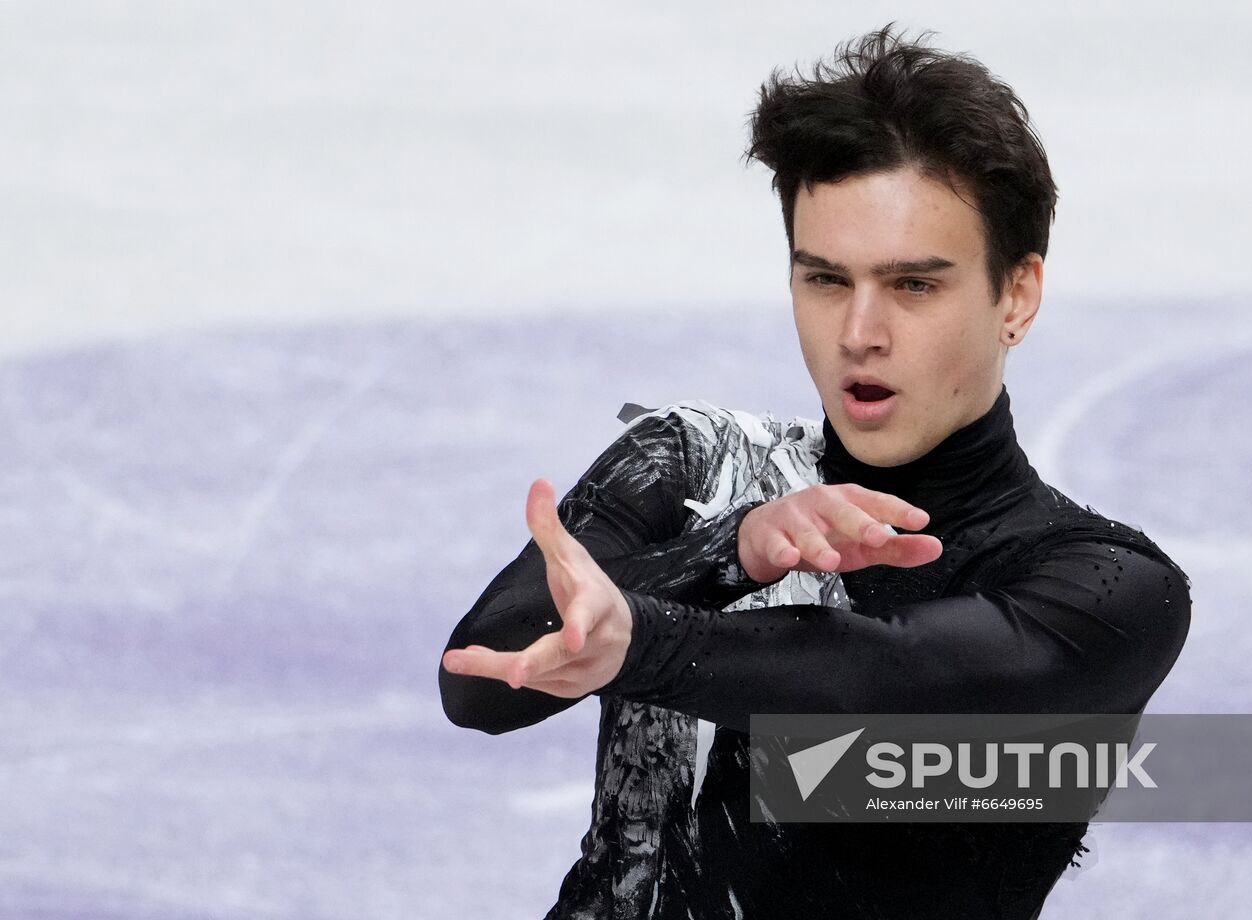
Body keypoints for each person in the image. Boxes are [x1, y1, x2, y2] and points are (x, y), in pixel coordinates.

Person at [439, 24, 1191, 919]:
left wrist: (640, 639)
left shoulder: (1106, 592)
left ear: (1016, 295)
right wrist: (729, 551)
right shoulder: (694, 465)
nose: (858, 333)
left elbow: (882, 685)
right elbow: (477, 685)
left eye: (914, 285)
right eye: (825, 279)